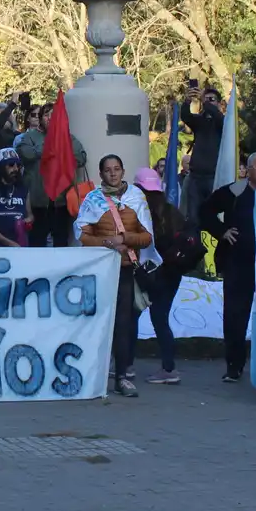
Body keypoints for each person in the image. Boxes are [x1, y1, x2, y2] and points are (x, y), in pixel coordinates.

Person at [78, 159, 153, 397]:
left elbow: (147, 237)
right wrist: (106, 244)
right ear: (101, 173)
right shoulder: (92, 199)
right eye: (108, 170)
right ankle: (91, 375)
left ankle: (122, 376)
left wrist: (125, 240)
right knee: (95, 322)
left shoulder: (136, 198)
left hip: (124, 270)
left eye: (117, 169)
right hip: (99, 270)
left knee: (123, 323)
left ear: (123, 171)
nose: (113, 174)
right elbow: (82, 234)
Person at [202, 151, 256, 382]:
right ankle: (234, 366)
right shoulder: (233, 192)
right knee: (235, 316)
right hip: (237, 264)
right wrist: (222, 231)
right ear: (249, 170)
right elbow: (204, 211)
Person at [135, 167, 199, 385]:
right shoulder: (172, 212)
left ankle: (129, 365)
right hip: (173, 273)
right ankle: (167, 367)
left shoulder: (143, 214)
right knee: (160, 318)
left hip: (152, 273)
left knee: (133, 314)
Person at [16, 103, 86, 248]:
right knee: (36, 241)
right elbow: (25, 154)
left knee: (61, 241)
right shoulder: (30, 137)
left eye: (54, 115)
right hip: (37, 201)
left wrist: (63, 150)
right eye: (47, 115)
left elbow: (81, 158)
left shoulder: (69, 138)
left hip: (61, 201)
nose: (50, 119)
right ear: (41, 119)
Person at [181, 85, 225, 219]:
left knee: (212, 215)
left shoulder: (222, 121)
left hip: (214, 176)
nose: (207, 101)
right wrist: (187, 101)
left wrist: (204, 101)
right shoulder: (200, 121)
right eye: (205, 99)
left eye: (211, 99)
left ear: (218, 103)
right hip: (196, 177)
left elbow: (218, 117)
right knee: (193, 216)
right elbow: (186, 116)